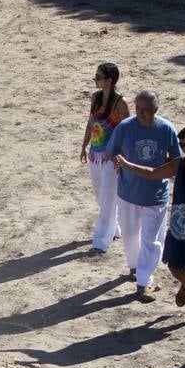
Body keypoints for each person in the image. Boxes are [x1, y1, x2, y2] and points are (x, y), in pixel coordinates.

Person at [113, 125, 185, 326]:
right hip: (179, 219)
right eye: (182, 145)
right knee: (174, 266)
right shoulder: (180, 163)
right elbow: (152, 173)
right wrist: (126, 164)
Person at [107, 90, 182, 301]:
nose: (140, 114)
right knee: (131, 237)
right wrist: (117, 164)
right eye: (138, 109)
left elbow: (177, 160)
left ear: (155, 110)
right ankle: (134, 268)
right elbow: (111, 152)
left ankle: (144, 282)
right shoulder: (125, 127)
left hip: (155, 195)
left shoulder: (166, 129)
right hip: (128, 193)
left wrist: (162, 172)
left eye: (145, 110)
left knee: (151, 241)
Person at [80, 63, 129, 252]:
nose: (95, 79)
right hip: (95, 153)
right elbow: (91, 122)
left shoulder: (121, 103)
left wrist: (123, 158)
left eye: (99, 77)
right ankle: (114, 227)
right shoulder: (95, 98)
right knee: (100, 195)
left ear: (109, 80)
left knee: (108, 197)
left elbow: (127, 131)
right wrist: (84, 145)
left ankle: (101, 241)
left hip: (112, 156)